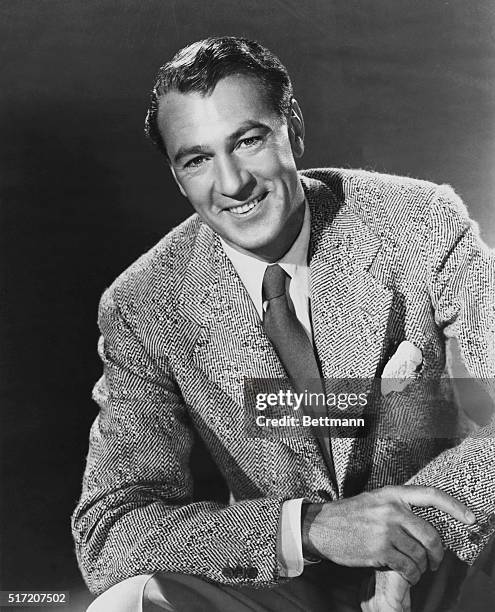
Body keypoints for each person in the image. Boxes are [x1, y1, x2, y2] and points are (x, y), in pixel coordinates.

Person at [72, 36, 495, 611]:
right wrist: (308, 528)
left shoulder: (421, 222)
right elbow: (109, 534)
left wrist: (407, 529)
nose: (232, 184)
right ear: (176, 174)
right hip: (292, 581)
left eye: (248, 141)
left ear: (292, 129)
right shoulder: (145, 303)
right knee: (119, 606)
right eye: (196, 159)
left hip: (456, 558)